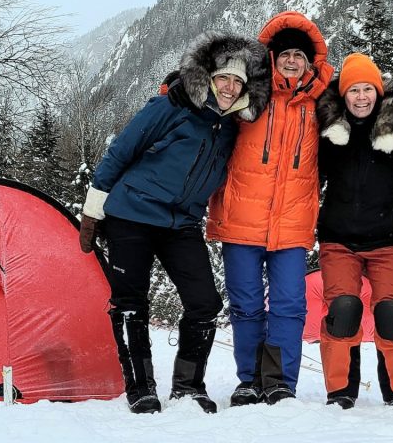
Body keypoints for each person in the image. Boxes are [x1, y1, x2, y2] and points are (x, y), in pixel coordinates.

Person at [78, 31, 270, 414]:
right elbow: (121, 151)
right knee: (130, 301)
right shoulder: (171, 106)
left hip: (181, 223)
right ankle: (141, 386)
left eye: (237, 81)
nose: (230, 88)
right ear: (209, 79)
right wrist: (92, 210)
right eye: (223, 79)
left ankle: (188, 385)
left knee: (204, 301)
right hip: (131, 214)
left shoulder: (231, 126)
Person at [206, 11, 334, 405]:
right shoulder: (251, 94)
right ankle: (249, 379)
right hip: (241, 219)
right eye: (285, 54)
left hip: (293, 223)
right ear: (272, 57)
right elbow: (203, 100)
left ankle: (278, 380)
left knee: (289, 306)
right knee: (245, 305)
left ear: (310, 61)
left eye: (300, 54)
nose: (292, 61)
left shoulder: (322, 103)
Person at [315, 53, 393, 412]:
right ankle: (341, 390)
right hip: (339, 239)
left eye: (368, 90)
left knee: (392, 313)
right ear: (343, 95)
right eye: (353, 90)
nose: (361, 97)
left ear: (378, 91)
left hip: (389, 239)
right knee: (343, 308)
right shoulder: (330, 131)